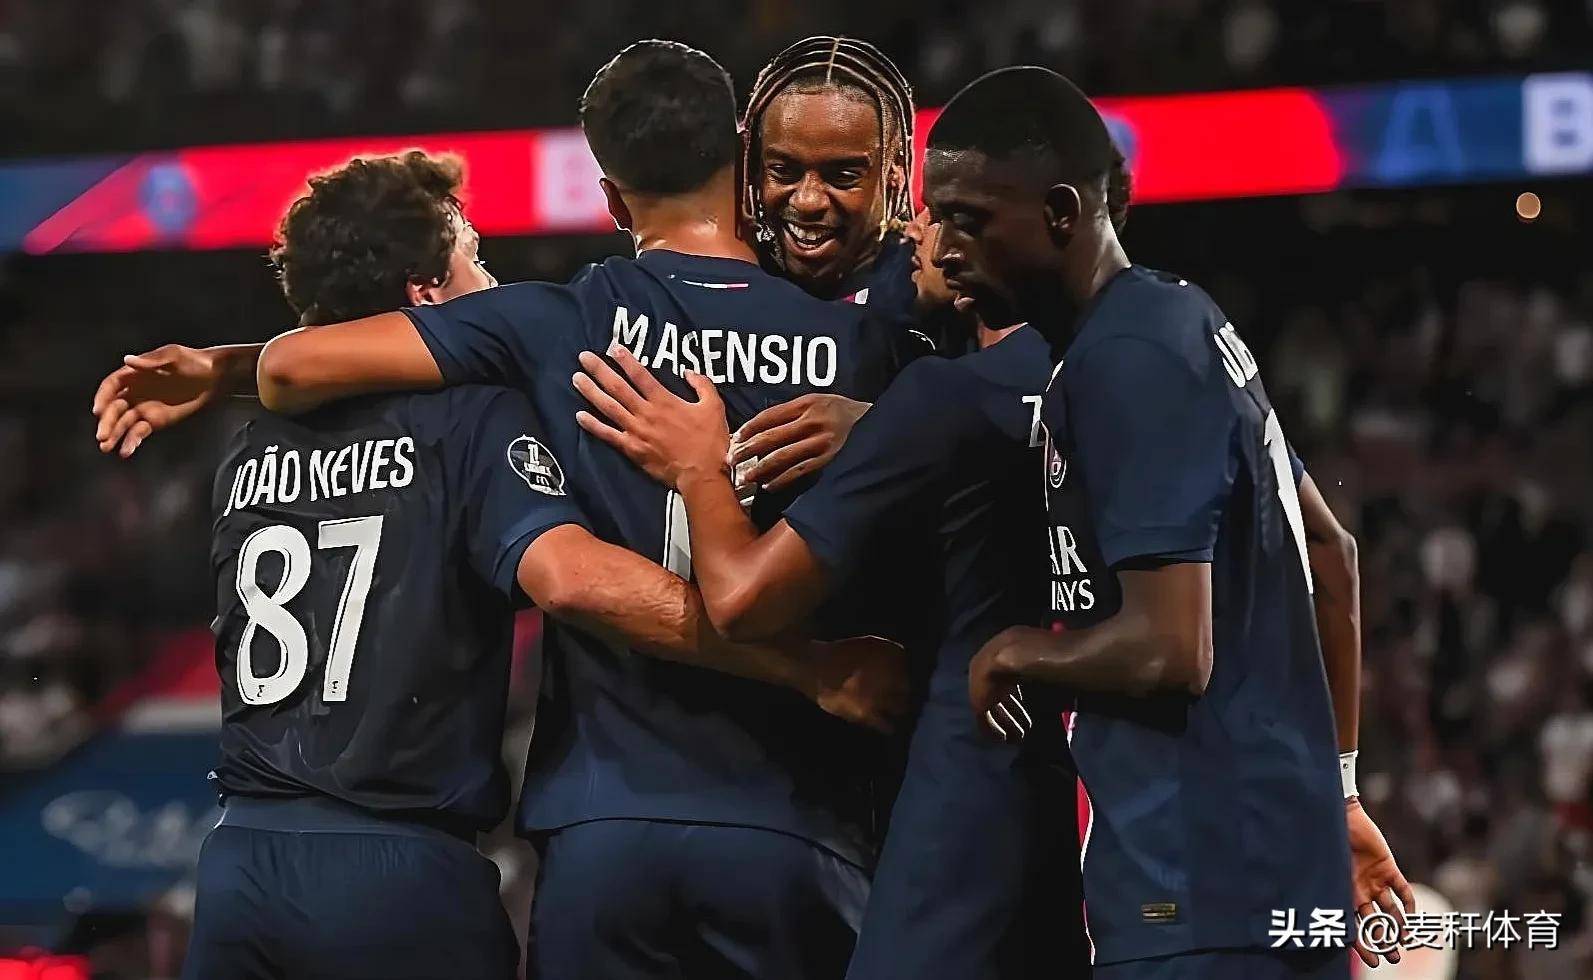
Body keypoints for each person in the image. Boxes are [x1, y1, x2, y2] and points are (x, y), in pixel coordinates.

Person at [96, 41, 927, 980]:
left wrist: (219, 368)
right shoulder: (872, 344)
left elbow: (291, 366)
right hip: (788, 821)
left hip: (565, 827)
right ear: (745, 168)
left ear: (613, 200)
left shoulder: (550, 325)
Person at [921, 67, 1412, 979]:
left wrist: (1016, 652)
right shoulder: (1176, 319)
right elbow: (1330, 557)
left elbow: (1170, 650)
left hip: (1191, 888)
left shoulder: (1126, 359)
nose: (940, 247)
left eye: (966, 219)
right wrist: (1338, 794)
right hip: (1258, 875)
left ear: (1060, 213)